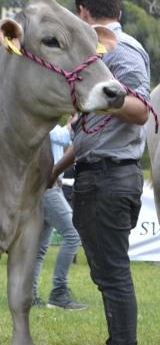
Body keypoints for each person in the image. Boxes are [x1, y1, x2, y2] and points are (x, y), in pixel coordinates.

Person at [51, 0, 151, 345]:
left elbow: (140, 110)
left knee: (112, 274)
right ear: (119, 12)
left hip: (111, 178)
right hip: (99, 173)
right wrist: (56, 168)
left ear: (84, 14)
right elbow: (95, 131)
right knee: (108, 272)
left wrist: (96, 94)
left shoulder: (121, 53)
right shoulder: (98, 53)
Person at [31, 123, 86, 310]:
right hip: (48, 187)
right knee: (73, 235)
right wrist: (78, 117)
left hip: (48, 186)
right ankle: (58, 292)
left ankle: (30, 295)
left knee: (40, 247)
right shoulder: (46, 122)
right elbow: (63, 136)